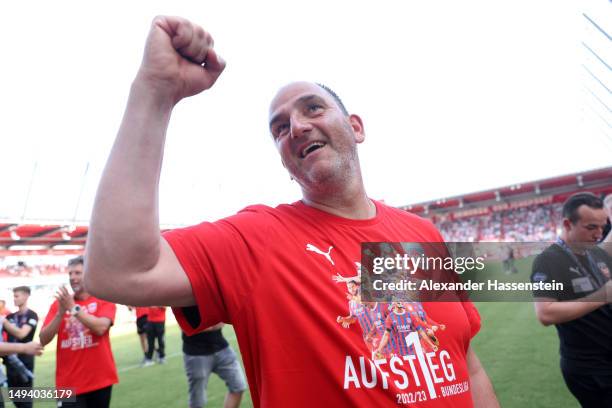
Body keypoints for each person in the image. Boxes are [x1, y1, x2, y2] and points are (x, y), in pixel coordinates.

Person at [84, 16, 499, 407]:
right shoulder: (258, 240)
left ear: (355, 127)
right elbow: (117, 270)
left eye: (313, 109)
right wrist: (154, 92)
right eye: (279, 128)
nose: (296, 127)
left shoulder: (422, 234)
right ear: (286, 162)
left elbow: (467, 365)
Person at [531, 192, 612, 407]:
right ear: (568, 224)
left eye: (603, 227)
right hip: (590, 369)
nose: (598, 234)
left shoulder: (594, 253)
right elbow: (545, 313)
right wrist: (602, 296)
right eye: (591, 227)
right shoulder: (549, 260)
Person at [39, 256, 118, 408]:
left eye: (77, 273)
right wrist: (60, 314)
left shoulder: (103, 299)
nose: (73, 278)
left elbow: (101, 328)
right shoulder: (59, 305)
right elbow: (43, 339)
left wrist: (73, 308)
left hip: (100, 380)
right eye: (70, 274)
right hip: (67, 384)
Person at [182, 323, 247, 408]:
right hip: (196, 353)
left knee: (238, 386)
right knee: (197, 401)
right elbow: (184, 326)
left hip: (221, 347)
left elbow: (221, 321)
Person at [2, 286, 38, 408]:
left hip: (25, 362)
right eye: (13, 296)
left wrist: (5, 323)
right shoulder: (10, 317)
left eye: (17, 296)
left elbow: (22, 334)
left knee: (25, 400)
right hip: (10, 362)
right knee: (14, 398)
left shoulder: (32, 315)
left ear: (26, 296)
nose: (14, 299)